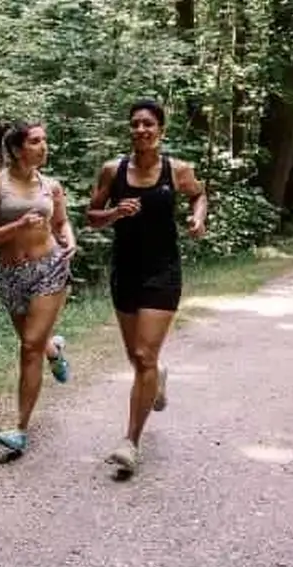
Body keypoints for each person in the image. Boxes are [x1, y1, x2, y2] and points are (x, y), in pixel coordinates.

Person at [86, 99, 208, 473]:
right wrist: (114, 212)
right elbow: (92, 217)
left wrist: (197, 218)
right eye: (135, 124)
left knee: (143, 356)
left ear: (161, 130)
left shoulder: (177, 169)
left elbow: (199, 195)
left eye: (148, 124)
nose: (140, 130)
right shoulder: (113, 170)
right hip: (125, 271)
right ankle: (157, 380)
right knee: (137, 358)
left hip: (163, 271)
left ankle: (130, 443)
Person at [0, 120, 77, 455]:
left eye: (44, 140)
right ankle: (54, 350)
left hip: (50, 268)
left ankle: (20, 429)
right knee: (32, 342)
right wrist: (18, 224)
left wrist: (70, 242)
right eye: (35, 141)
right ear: (18, 149)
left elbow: (61, 222)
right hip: (11, 275)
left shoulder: (52, 186)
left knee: (28, 346)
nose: (43, 146)